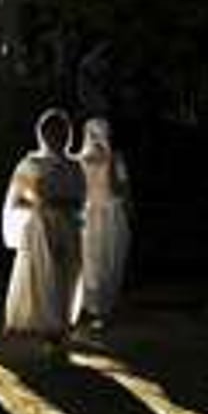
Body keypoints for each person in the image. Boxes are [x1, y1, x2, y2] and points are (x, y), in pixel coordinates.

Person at [3, 108, 87, 342]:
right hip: (40, 228)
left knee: (67, 275)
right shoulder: (31, 164)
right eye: (51, 132)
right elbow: (18, 200)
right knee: (44, 274)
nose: (57, 137)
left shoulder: (75, 165)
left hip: (69, 226)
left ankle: (60, 320)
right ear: (42, 134)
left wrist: (66, 204)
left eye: (62, 131)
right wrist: (40, 201)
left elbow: (82, 198)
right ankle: (48, 325)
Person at [77, 117, 132, 329]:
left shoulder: (115, 159)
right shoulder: (80, 159)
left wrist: (108, 162)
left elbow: (119, 189)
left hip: (111, 215)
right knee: (91, 262)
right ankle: (91, 308)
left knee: (109, 260)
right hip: (90, 217)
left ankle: (103, 309)